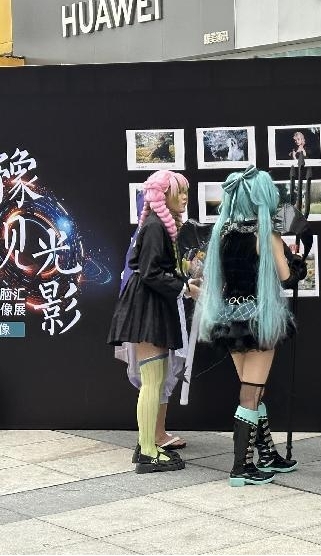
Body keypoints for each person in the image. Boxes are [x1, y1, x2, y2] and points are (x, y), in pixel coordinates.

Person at [198, 166, 303, 487]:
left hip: (229, 320)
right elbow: (287, 278)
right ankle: (241, 467)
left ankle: (267, 454)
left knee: (253, 387)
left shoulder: (223, 235)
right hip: (258, 320)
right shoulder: (266, 235)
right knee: (251, 392)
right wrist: (296, 260)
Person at [108, 170, 199, 474]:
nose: (184, 197)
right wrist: (185, 287)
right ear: (164, 195)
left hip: (150, 305)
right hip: (146, 307)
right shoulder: (155, 226)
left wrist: (184, 281)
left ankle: (147, 444)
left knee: (155, 380)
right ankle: (148, 450)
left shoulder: (156, 225)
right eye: (179, 191)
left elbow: (153, 269)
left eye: (186, 192)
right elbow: (150, 273)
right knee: (152, 381)